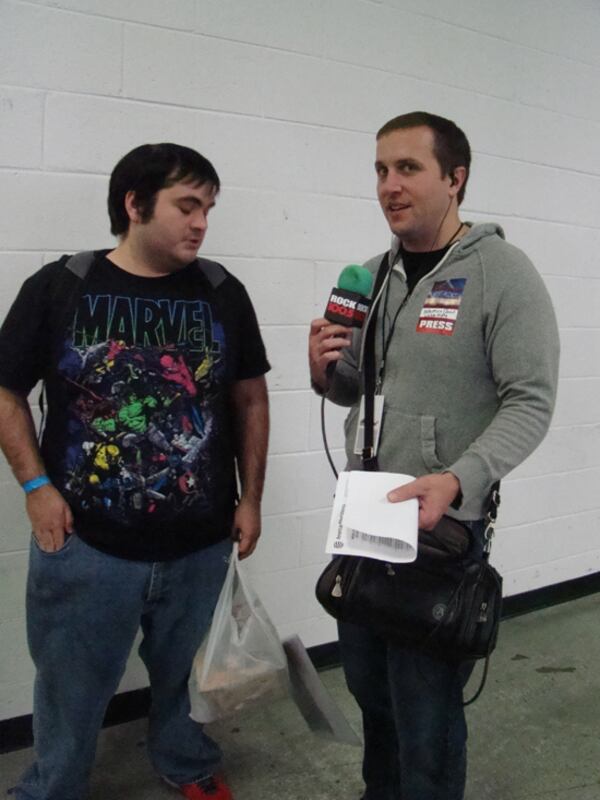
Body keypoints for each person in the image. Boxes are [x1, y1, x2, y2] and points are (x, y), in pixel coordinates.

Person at [0, 143, 270, 800]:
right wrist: (35, 488)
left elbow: (250, 399)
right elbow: (5, 393)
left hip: (199, 544)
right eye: (187, 205)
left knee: (186, 677)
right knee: (69, 687)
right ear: (134, 204)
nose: (201, 223)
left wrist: (251, 498)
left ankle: (186, 761)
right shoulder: (62, 286)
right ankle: (53, 787)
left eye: (208, 209)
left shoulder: (222, 292)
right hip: (86, 544)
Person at [308, 112, 560, 799]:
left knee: (426, 716)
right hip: (366, 522)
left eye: (408, 168)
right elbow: (355, 389)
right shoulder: (374, 276)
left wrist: (458, 478)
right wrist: (325, 370)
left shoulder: (503, 274)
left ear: (456, 179)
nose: (389, 185)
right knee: (371, 692)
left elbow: (531, 402)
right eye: (381, 170)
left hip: (440, 532)